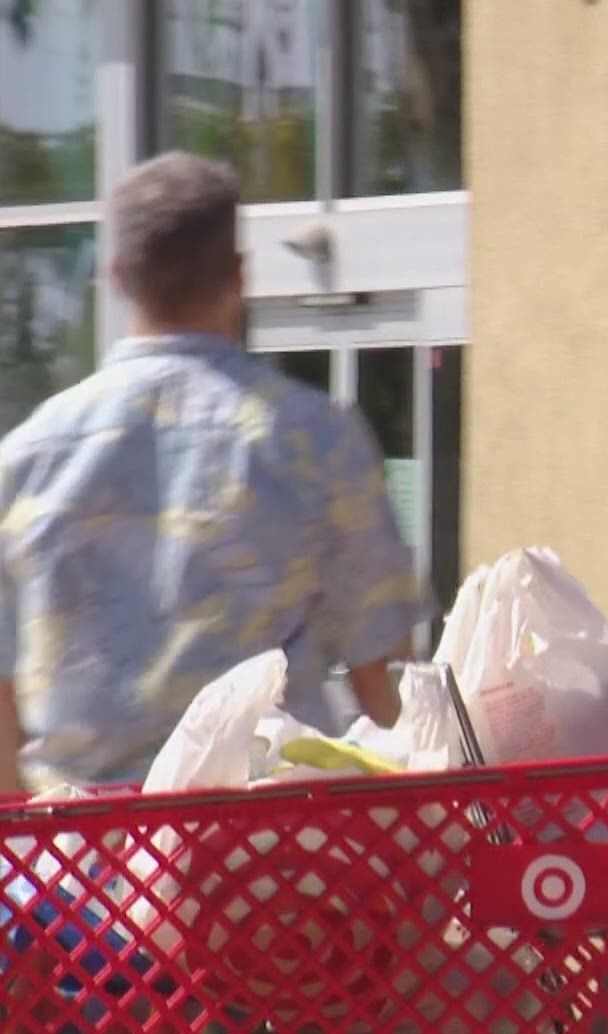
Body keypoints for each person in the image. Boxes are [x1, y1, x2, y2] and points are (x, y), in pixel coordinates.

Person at [0, 152, 420, 795]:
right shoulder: (313, 441)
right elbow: (390, 693)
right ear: (239, 276)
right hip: (264, 863)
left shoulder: (26, 460)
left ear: (116, 276)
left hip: (77, 870)